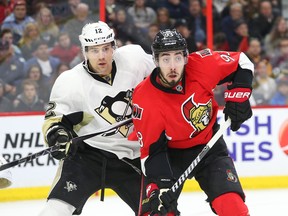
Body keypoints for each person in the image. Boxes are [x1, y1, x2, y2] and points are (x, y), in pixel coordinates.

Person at [131, 29, 254, 215]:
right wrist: (162, 185)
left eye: (177, 58)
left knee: (233, 207)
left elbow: (243, 62)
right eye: (165, 59)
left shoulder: (202, 65)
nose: (172, 66)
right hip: (168, 155)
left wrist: (239, 97)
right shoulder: (144, 97)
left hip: (209, 146)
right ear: (155, 61)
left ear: (186, 57)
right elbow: (151, 151)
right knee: (157, 212)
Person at [38, 21, 155, 216]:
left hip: (131, 157)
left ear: (113, 47)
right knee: (56, 210)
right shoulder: (70, 82)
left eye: (105, 48)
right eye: (94, 50)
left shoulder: (135, 58)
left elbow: (166, 75)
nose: (101, 56)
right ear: (85, 51)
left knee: (159, 212)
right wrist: (58, 137)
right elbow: (54, 121)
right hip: (88, 157)